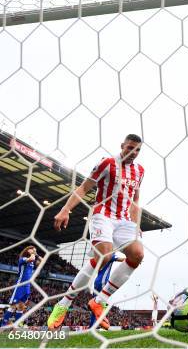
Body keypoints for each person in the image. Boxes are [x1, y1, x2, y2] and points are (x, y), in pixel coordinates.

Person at [47, 134, 145, 330]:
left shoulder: (140, 171)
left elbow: (135, 200)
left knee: (137, 255)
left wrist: (136, 224)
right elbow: (83, 188)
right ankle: (63, 304)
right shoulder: (107, 163)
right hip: (103, 214)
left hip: (124, 220)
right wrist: (66, 209)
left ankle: (100, 300)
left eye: (137, 150)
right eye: (130, 148)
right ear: (122, 146)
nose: (133, 153)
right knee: (106, 254)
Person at [0, 246, 41, 327]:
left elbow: (42, 261)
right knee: (12, 306)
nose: (33, 251)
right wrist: (33, 253)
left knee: (21, 307)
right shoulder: (22, 259)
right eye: (32, 249)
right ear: (27, 250)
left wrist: (37, 254)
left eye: (34, 250)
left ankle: (15, 327)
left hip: (27, 286)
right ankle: (2, 325)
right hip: (20, 285)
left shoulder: (32, 262)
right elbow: (32, 258)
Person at [88, 252, 124, 328]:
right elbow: (121, 259)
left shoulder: (102, 255)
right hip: (103, 282)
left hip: (97, 281)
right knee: (102, 304)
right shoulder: (110, 254)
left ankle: (92, 326)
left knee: (95, 305)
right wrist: (133, 259)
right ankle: (100, 322)